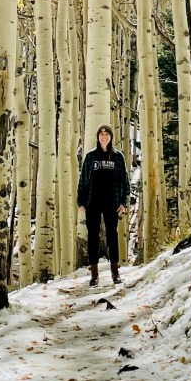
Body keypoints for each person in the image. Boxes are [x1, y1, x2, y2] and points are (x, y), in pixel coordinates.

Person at [77, 123, 129, 286]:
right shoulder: (90, 156)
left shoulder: (118, 157)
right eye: (101, 134)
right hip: (92, 201)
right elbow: (83, 179)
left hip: (112, 202)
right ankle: (94, 274)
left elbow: (124, 180)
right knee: (92, 236)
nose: (104, 137)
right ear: (98, 137)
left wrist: (123, 202)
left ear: (111, 137)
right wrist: (81, 200)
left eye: (107, 135)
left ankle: (115, 272)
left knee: (112, 235)